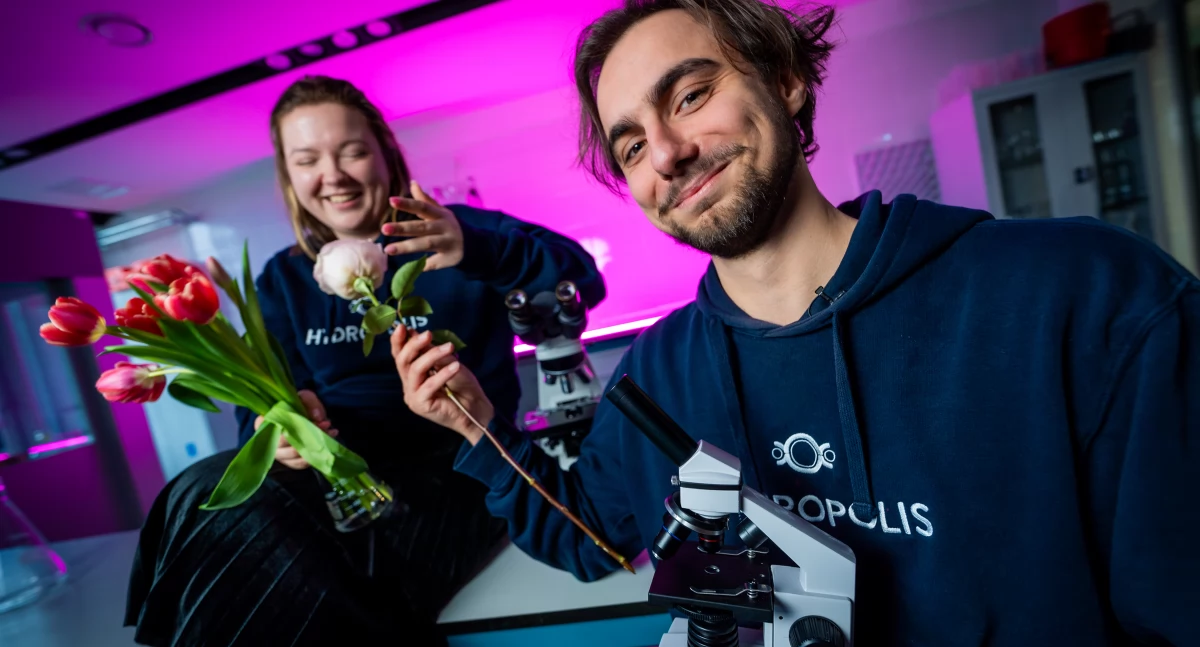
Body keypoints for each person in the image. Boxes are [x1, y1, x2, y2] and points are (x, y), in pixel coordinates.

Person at [393, 1, 1200, 645]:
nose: (666, 153)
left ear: (784, 79)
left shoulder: (1086, 298)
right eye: (632, 146)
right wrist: (475, 423)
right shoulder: (655, 380)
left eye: (691, 95)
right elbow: (589, 538)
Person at [124, 75, 606, 646]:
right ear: (289, 175)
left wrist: (477, 249)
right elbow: (262, 405)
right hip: (338, 487)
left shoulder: (458, 231)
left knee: (277, 559)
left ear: (385, 153)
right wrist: (278, 428)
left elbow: (583, 281)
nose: (332, 175)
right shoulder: (282, 279)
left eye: (351, 151)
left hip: (461, 477)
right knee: (200, 493)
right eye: (308, 160)